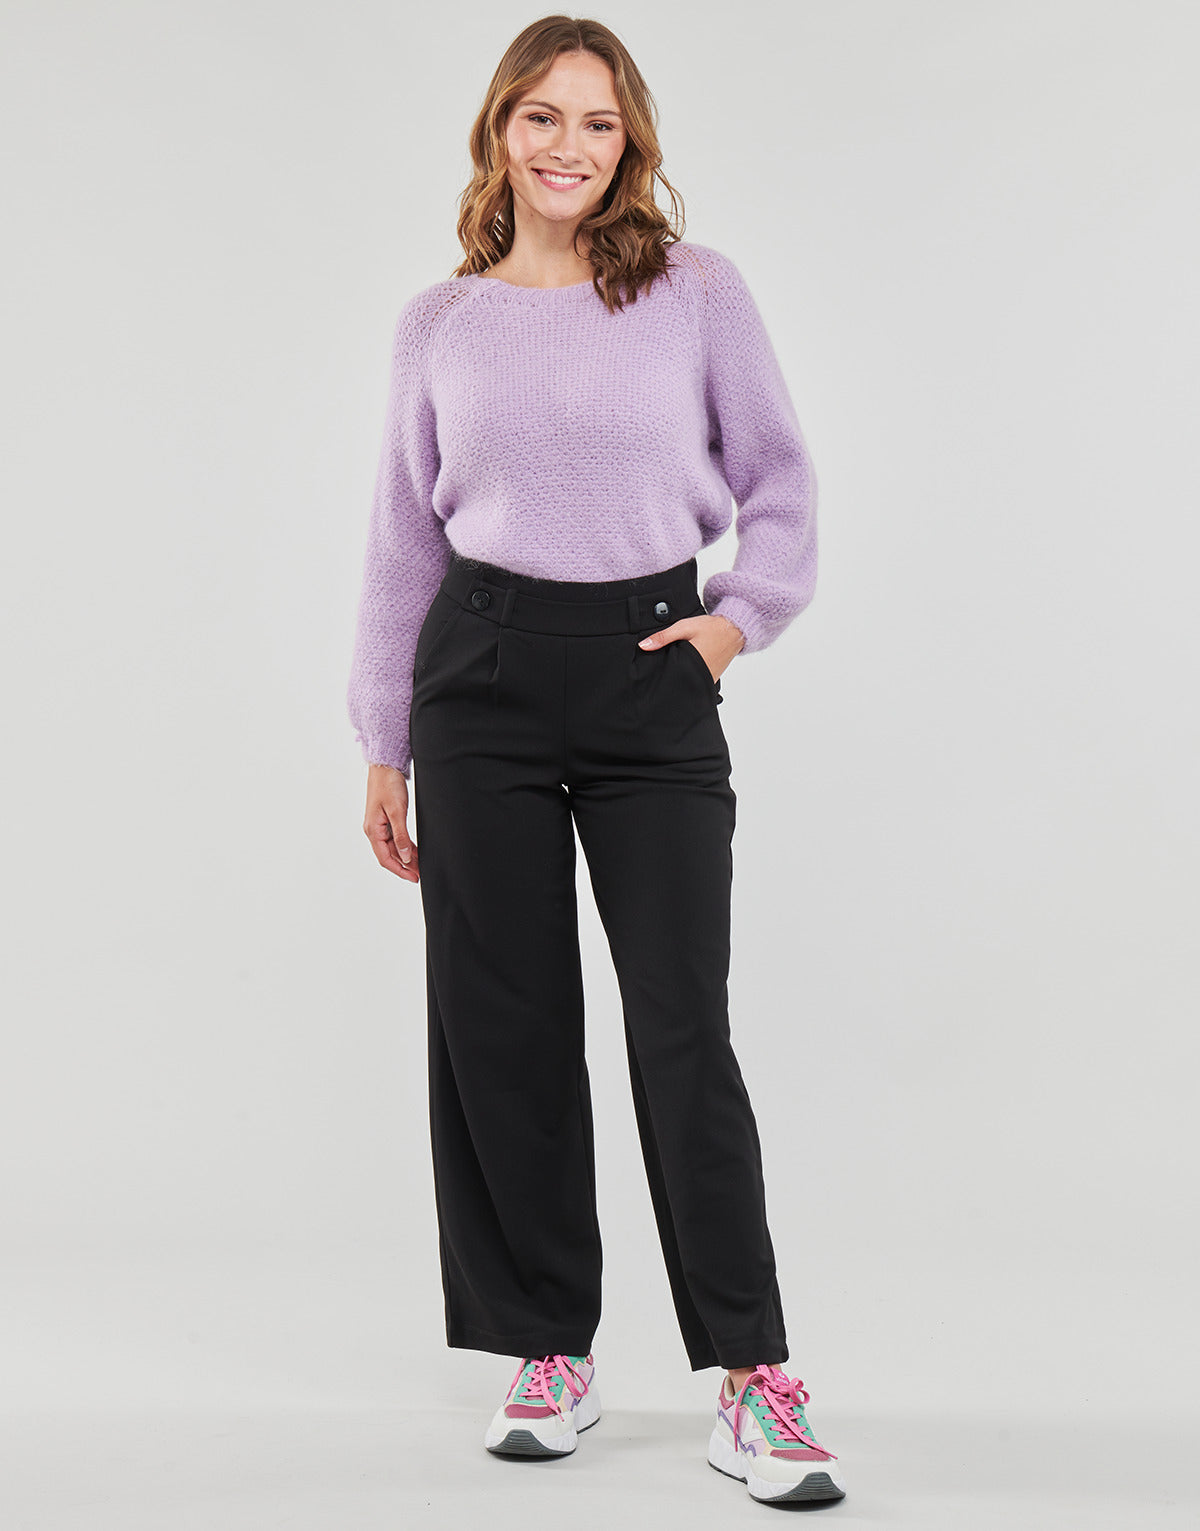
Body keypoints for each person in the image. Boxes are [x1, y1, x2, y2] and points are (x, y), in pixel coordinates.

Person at [346, 14, 846, 1508]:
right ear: (500, 131)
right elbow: (402, 540)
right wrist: (384, 739)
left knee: (682, 1024)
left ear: (632, 144)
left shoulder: (696, 291)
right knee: (501, 1023)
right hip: (479, 680)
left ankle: (752, 1377)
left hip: (649, 674)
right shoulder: (439, 323)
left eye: (599, 122)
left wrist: (735, 623)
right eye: (543, 117)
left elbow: (781, 477)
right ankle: (546, 1347)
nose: (569, 146)